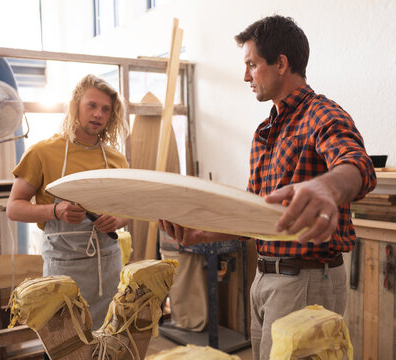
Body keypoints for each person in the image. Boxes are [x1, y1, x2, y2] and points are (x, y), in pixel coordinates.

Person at [159, 15, 376, 360]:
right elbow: (253, 215)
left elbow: (358, 165)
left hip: (304, 280)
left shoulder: (322, 114)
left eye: (251, 65)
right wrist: (200, 233)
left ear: (281, 64)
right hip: (265, 278)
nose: (245, 76)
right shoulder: (265, 131)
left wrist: (328, 188)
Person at [6, 74, 131, 329]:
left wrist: (117, 219)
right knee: (63, 339)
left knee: (106, 337)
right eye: (92, 105)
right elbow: (14, 207)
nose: (98, 114)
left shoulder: (116, 159)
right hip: (63, 267)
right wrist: (55, 210)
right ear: (76, 105)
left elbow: (129, 209)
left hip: (107, 267)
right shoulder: (43, 152)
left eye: (106, 109)